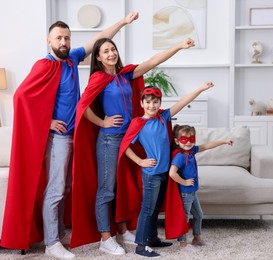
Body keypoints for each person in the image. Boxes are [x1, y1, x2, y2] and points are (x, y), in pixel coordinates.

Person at [0, 12, 139, 259]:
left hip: (75, 134)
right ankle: (51, 243)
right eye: (58, 38)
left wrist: (123, 23)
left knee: (65, 187)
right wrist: (48, 122)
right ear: (49, 41)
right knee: (55, 189)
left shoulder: (71, 59)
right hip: (59, 137)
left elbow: (97, 40)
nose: (63, 42)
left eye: (66, 38)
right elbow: (21, 97)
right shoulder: (44, 65)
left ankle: (60, 232)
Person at [71, 37, 196, 255]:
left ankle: (121, 230)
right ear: (98, 58)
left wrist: (178, 46)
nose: (111, 54)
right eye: (106, 51)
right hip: (110, 139)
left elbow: (152, 61)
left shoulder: (125, 74)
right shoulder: (98, 78)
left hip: (131, 137)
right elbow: (82, 106)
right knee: (106, 189)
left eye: (113, 49)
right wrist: (102, 122)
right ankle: (105, 238)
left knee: (124, 187)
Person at [118, 82, 214, 257]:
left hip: (164, 174)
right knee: (147, 209)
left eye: (155, 102)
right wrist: (140, 161)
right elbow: (124, 146)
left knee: (155, 209)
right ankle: (141, 245)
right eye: (147, 102)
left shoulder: (164, 117)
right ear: (141, 104)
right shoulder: (138, 123)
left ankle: (153, 239)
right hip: (152, 175)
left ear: (160, 103)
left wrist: (200, 88)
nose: (151, 106)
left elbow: (183, 102)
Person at [168, 124, 233, 250]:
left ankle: (197, 238)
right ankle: (182, 243)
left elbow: (207, 145)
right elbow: (172, 173)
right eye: (184, 140)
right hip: (185, 193)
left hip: (193, 192)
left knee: (198, 215)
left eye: (191, 139)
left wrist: (224, 141)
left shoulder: (191, 151)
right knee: (185, 217)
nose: (188, 143)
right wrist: (184, 182)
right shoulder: (180, 156)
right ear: (177, 141)